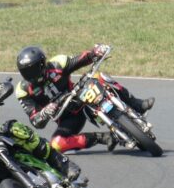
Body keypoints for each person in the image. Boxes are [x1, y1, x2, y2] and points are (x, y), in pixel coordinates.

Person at [15, 44, 155, 153]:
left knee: (98, 77)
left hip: (80, 96)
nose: (32, 74)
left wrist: (96, 52)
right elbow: (35, 121)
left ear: (42, 63)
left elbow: (82, 59)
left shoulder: (57, 64)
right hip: (67, 117)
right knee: (56, 144)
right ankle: (103, 138)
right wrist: (44, 112)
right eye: (27, 71)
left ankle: (137, 104)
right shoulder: (23, 90)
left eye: (34, 69)